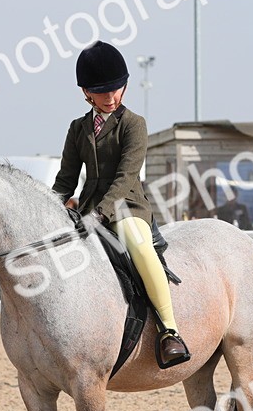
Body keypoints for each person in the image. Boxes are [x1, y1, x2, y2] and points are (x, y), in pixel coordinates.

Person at [52, 41, 191, 369]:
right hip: (86, 209)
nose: (112, 97)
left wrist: (101, 213)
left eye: (116, 89)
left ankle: (169, 331)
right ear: (86, 92)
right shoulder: (78, 129)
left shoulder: (134, 124)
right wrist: (52, 209)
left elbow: (128, 175)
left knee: (140, 249)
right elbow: (65, 180)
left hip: (126, 206)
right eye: (102, 92)